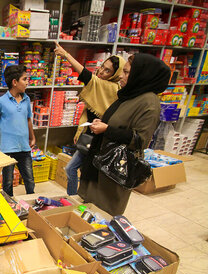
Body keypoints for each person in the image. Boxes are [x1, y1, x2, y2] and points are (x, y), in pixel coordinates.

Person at [78, 53, 170, 215]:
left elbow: (140, 140)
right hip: (100, 160)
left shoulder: (149, 102)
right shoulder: (129, 94)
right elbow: (116, 121)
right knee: (89, 210)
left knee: (103, 213)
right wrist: (102, 124)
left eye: (127, 72)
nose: (121, 75)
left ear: (141, 75)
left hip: (114, 169)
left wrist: (107, 130)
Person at [54, 43, 126, 195]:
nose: (101, 72)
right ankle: (75, 197)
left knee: (74, 169)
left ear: (117, 74)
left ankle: (75, 197)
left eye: (108, 71)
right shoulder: (103, 86)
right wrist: (80, 133)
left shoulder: (110, 88)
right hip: (88, 136)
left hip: (99, 141)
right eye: (102, 67)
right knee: (76, 169)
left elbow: (85, 74)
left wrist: (66, 55)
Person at [0, 65, 36, 197]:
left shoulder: (26, 99)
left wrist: (33, 137)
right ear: (15, 82)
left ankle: (31, 204)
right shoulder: (1, 101)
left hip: (24, 148)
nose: (27, 82)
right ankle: (10, 206)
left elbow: (28, 120)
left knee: (29, 180)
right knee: (7, 183)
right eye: (24, 79)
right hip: (8, 149)